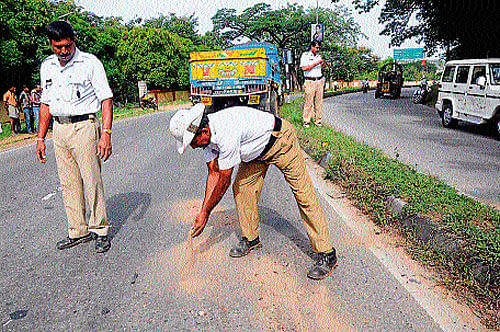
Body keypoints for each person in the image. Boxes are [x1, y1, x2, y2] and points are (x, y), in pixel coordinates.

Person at [169, 104, 338, 280]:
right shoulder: (207, 139)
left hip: (280, 140)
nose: (194, 148)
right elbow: (213, 173)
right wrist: (203, 211)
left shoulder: (225, 131)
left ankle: (327, 253)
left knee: (303, 193)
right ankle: (251, 239)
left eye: (193, 143)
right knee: (242, 188)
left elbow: (223, 181)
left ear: (203, 131)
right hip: (255, 154)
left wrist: (206, 213)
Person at [35, 21, 114, 253]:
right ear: (50, 44)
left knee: (92, 180)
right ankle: (78, 231)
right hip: (59, 130)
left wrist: (106, 134)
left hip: (84, 127)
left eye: (67, 46)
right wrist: (40, 138)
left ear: (74, 41)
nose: (63, 51)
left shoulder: (89, 63)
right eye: (57, 46)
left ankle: (100, 229)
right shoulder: (47, 66)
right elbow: (45, 104)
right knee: (68, 182)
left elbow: (106, 100)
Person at [300, 41, 325, 128]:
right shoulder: (305, 56)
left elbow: (322, 68)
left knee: (319, 103)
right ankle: (306, 122)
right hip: (309, 81)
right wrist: (316, 63)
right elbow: (304, 68)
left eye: (319, 48)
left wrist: (323, 63)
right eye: (316, 47)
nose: (318, 50)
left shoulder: (319, 56)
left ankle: (318, 122)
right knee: (309, 102)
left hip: (319, 80)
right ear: (312, 47)